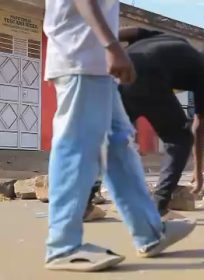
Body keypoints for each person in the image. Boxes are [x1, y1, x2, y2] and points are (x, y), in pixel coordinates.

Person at [44, 1, 195, 272]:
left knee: (118, 147)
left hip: (96, 66)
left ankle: (149, 233)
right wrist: (112, 47)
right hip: (81, 60)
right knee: (77, 145)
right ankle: (63, 246)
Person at [118, 27, 204, 216]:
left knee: (110, 139)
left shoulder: (169, 37)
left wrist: (106, 46)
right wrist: (198, 171)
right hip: (151, 78)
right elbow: (200, 127)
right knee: (179, 138)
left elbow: (127, 32)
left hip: (121, 73)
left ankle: (85, 202)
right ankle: (158, 205)